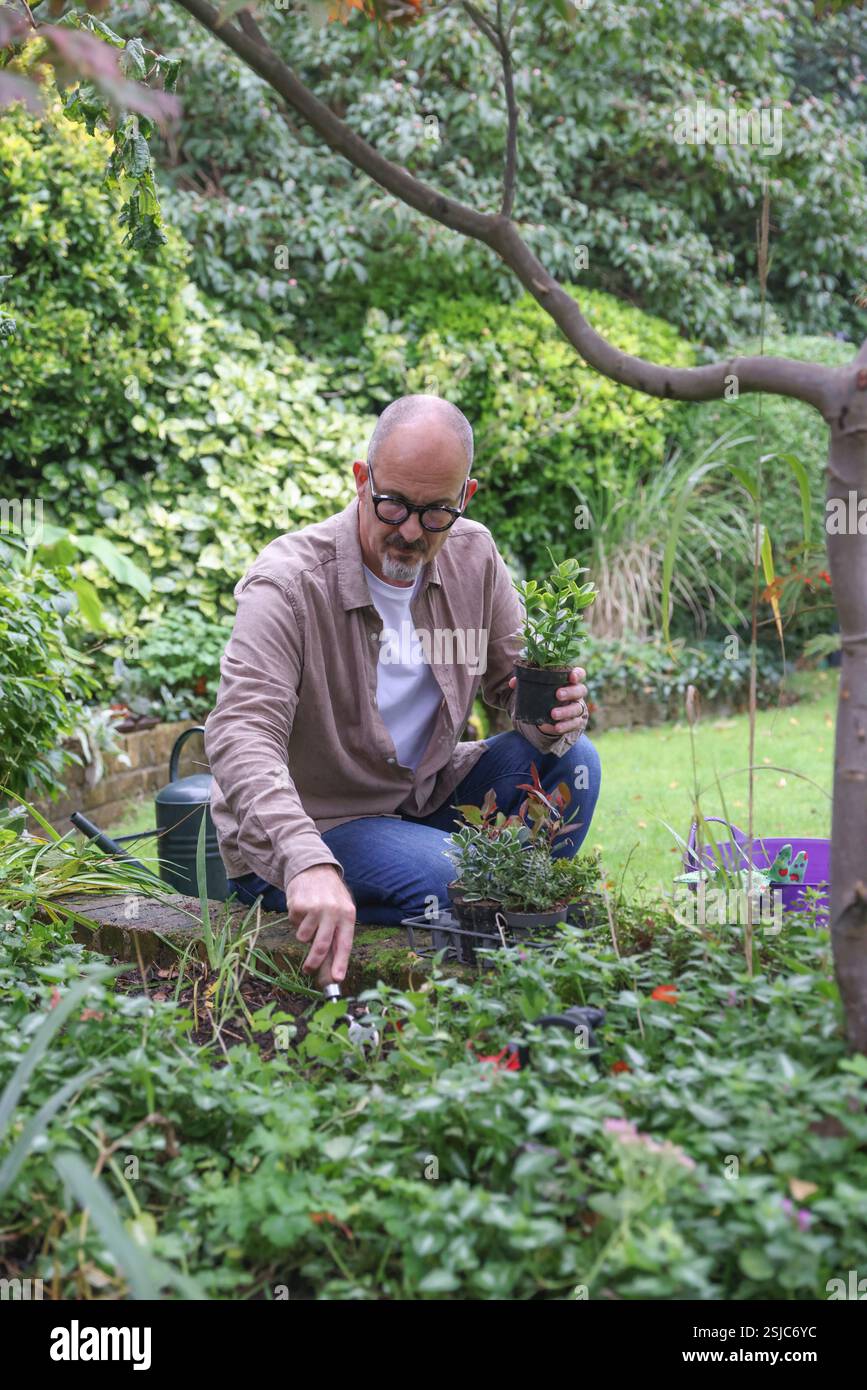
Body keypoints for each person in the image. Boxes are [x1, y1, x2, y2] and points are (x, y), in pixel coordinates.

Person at [203, 394, 601, 986]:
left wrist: (549, 715)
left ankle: (489, 930)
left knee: (571, 765)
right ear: (362, 480)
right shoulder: (287, 585)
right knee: (458, 877)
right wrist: (305, 860)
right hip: (316, 826)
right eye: (393, 506)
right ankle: (467, 929)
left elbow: (509, 683)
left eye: (436, 512)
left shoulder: (474, 557)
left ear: (465, 498)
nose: (411, 532)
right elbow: (242, 732)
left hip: (419, 801)